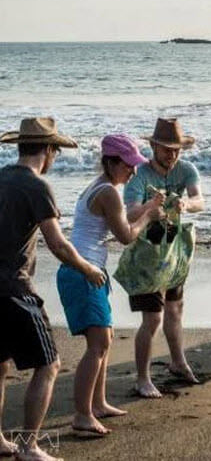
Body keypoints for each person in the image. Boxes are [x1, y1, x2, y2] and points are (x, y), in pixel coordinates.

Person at [0, 118, 106, 461]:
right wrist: (88, 268)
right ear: (48, 150)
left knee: (0, 366)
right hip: (15, 288)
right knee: (49, 364)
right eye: (55, 152)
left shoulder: (1, 176)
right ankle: (29, 446)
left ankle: (1, 440)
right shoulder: (37, 185)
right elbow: (58, 243)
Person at [56, 134, 164, 436]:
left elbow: (120, 219)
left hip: (87, 270)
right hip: (83, 272)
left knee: (106, 339)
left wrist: (147, 206)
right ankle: (82, 414)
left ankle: (99, 404)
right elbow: (127, 236)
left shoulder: (99, 187)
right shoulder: (108, 192)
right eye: (128, 165)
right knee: (99, 344)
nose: (132, 171)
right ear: (113, 162)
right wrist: (150, 215)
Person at [124, 118, 205, 398]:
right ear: (153, 146)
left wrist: (186, 204)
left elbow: (199, 200)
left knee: (175, 310)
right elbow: (129, 213)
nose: (172, 155)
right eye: (167, 149)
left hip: (174, 250)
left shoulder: (186, 169)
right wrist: (150, 208)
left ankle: (178, 361)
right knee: (152, 319)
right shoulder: (139, 175)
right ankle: (143, 378)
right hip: (146, 253)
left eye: (176, 150)